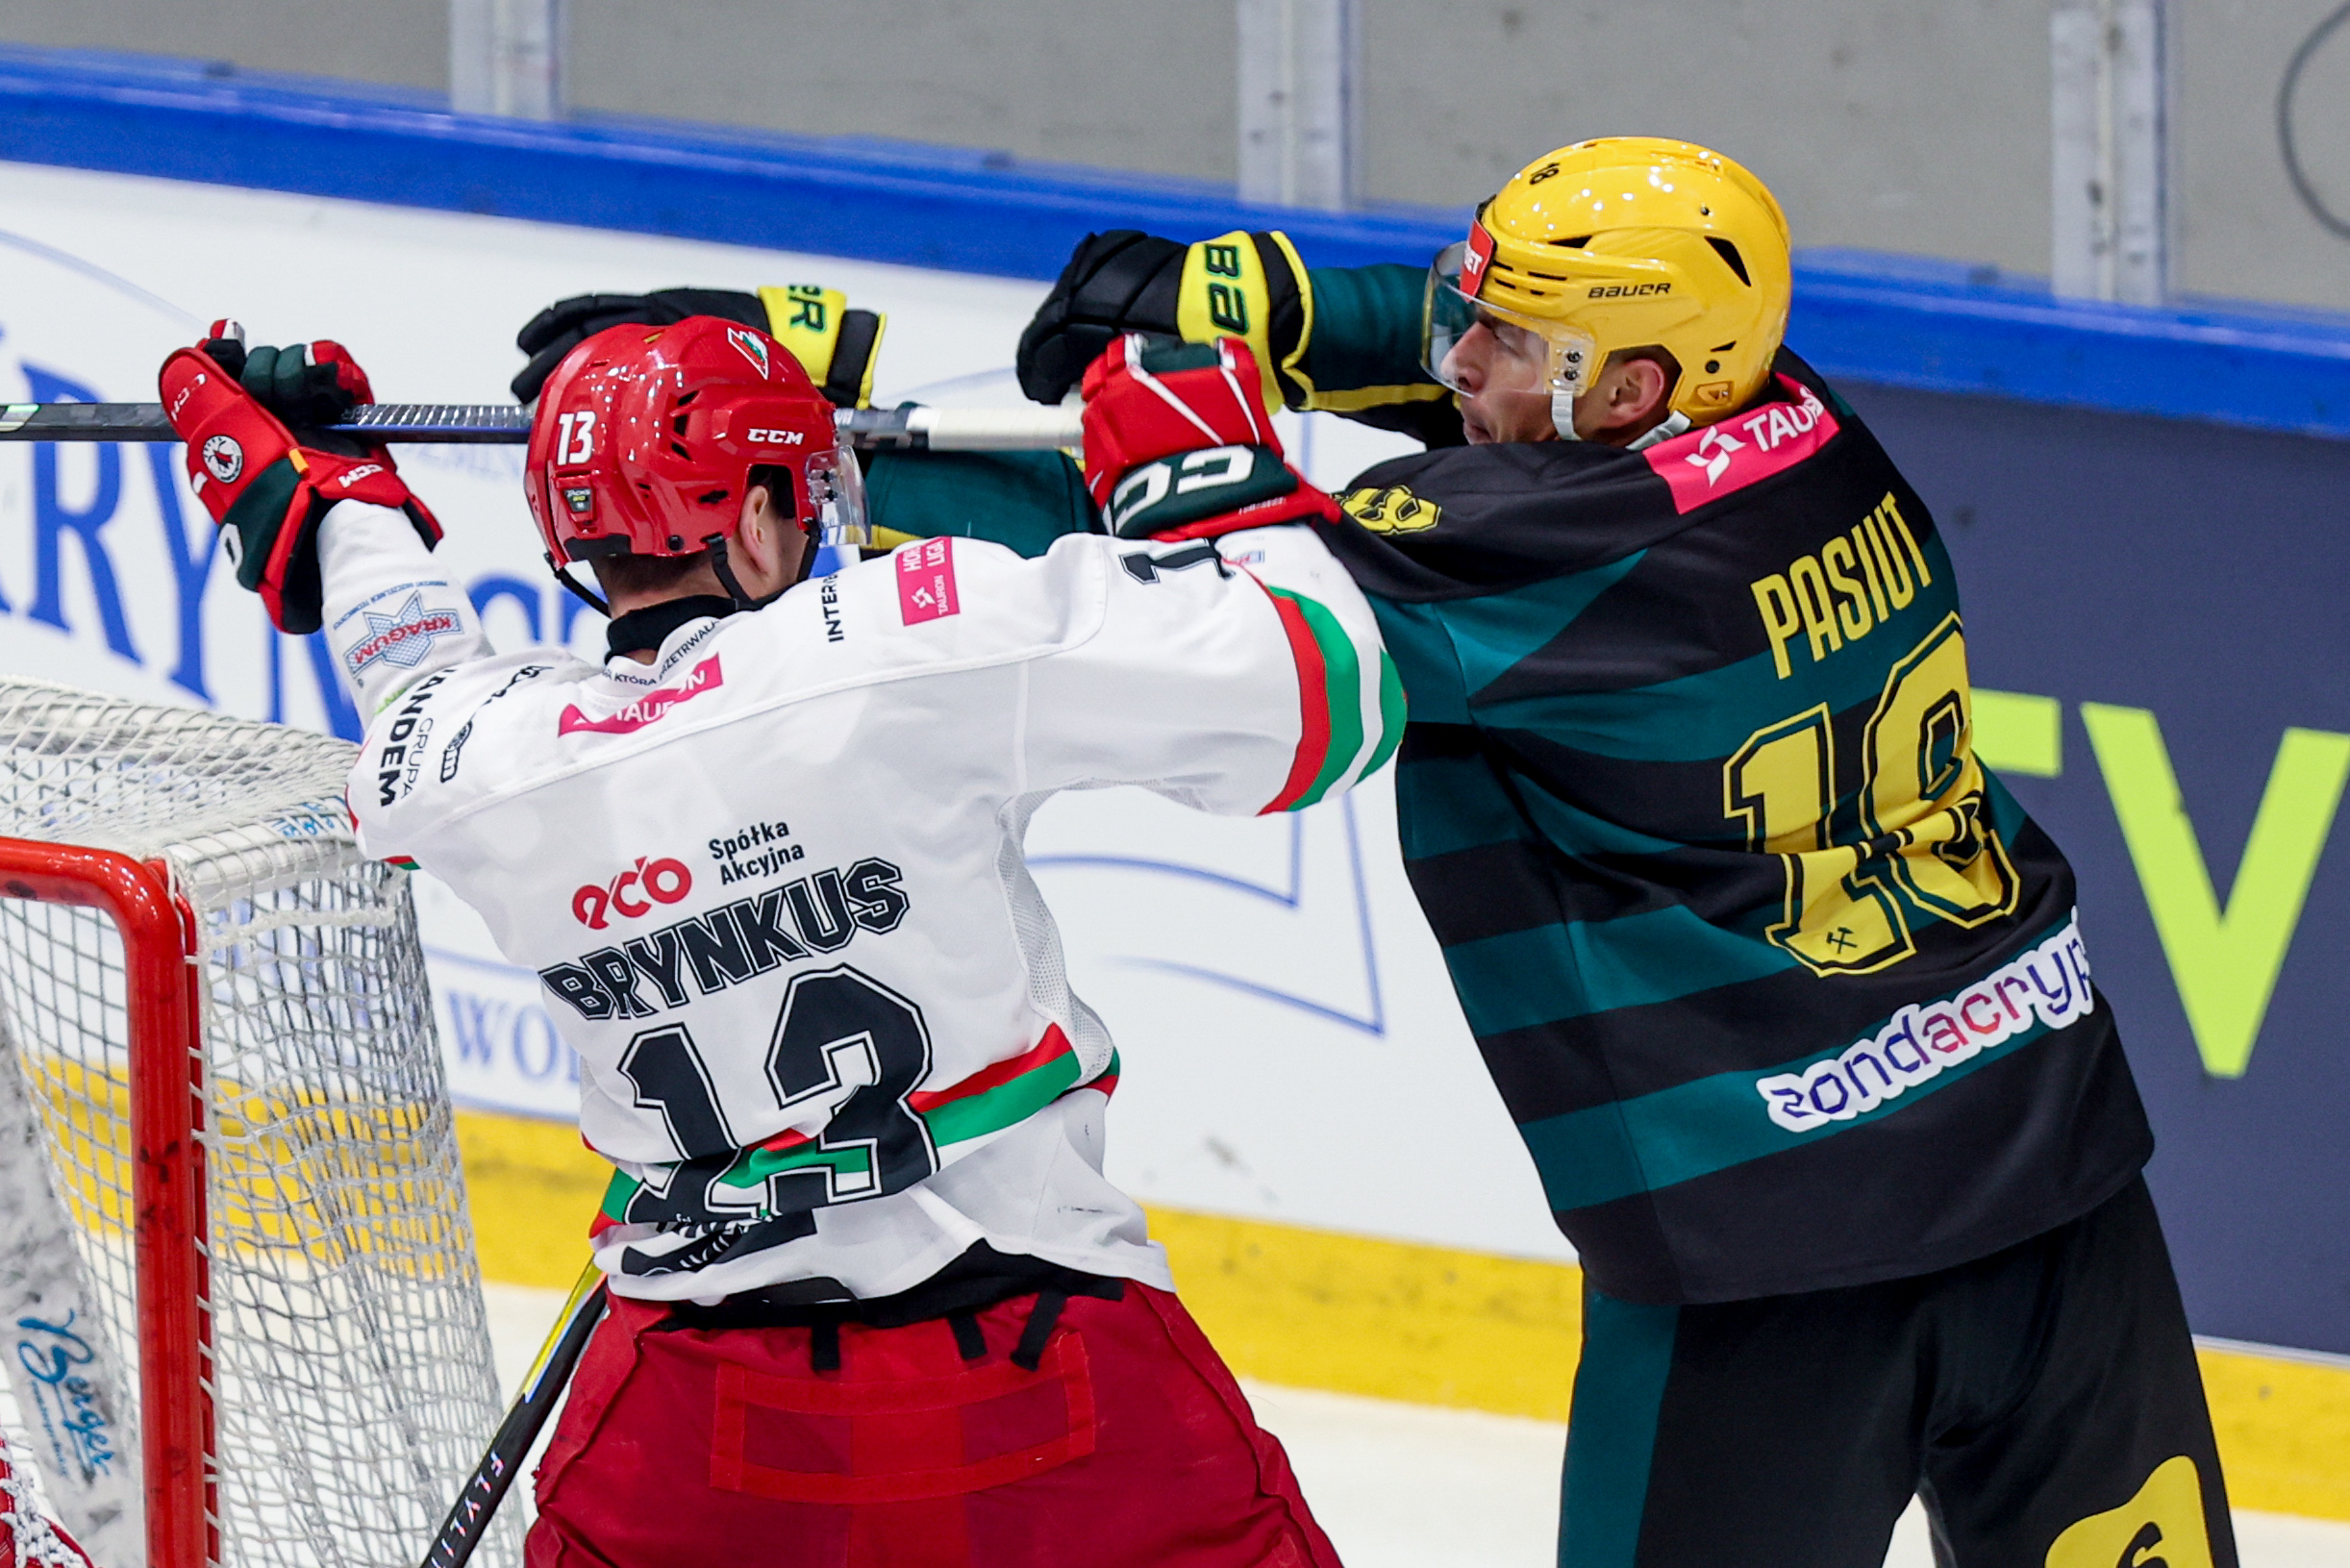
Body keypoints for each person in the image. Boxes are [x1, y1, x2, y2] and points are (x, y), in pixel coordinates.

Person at [1007, 137, 2235, 1568]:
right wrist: (1268, 306)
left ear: (1635, 388)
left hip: (1763, 1253)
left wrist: (1171, 439)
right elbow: (1486, 394)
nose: (1464, 359)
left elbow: (1219, 635)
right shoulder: (1803, 414)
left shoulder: (1527, 554)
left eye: (1510, 338)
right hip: (2056, 1162)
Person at [157, 314, 1396, 1567]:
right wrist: (1204, 476)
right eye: (796, 500)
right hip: (1049, 1387)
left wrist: (339, 509)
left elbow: (413, 676)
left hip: (697, 1438)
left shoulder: (479, 763)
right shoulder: (913, 636)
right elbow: (1333, 695)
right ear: (753, 520)